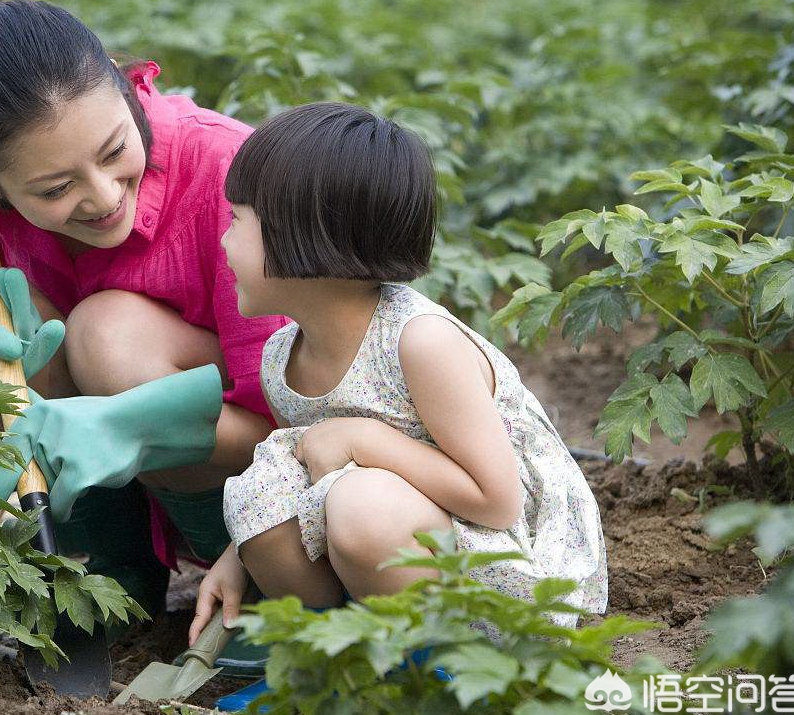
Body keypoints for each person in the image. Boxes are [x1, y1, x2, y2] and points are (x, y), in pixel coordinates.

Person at [0, 0, 289, 618]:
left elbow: (306, 420)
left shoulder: (229, 170)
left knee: (103, 333)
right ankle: (102, 580)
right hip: (121, 480)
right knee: (13, 320)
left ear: (128, 87)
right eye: (56, 189)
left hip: (260, 485)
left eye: (115, 150)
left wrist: (133, 423)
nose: (104, 195)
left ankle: (254, 589)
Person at [189, 102, 608, 646]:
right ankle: (335, 648)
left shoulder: (420, 341)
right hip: (403, 536)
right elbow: (294, 471)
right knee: (262, 502)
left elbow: (497, 499)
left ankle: (431, 659)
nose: (222, 240)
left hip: (503, 556)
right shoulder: (282, 357)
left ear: (305, 236)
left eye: (237, 221)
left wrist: (364, 438)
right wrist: (238, 554)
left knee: (360, 507)